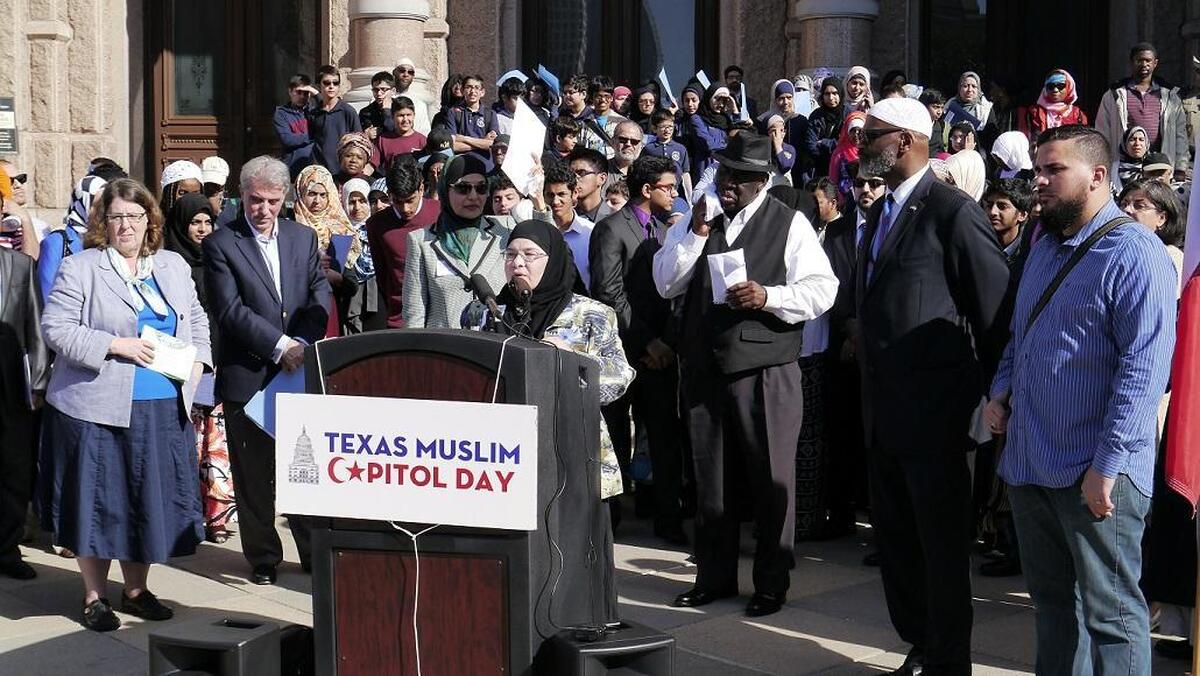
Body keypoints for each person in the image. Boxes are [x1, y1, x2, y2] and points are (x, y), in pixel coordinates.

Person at [983, 125, 1176, 676]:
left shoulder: (1136, 254)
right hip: (1030, 465)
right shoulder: (1044, 245)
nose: (1038, 182)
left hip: (1097, 477)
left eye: (1053, 171)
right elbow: (1023, 334)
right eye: (1037, 170)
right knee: (1053, 612)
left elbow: (1143, 374)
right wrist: (1001, 391)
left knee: (1112, 620)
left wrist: (1106, 468)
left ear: (1097, 176)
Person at [653, 132, 838, 618]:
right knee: (711, 479)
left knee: (770, 478)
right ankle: (713, 576)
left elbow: (822, 290)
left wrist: (770, 296)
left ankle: (771, 582)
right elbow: (665, 280)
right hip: (706, 369)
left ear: (762, 182)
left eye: (740, 176)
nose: (727, 182)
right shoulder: (699, 219)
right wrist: (693, 234)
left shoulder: (790, 223)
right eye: (724, 172)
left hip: (766, 368)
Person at [855, 98, 1010, 675]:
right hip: (886, 417)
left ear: (904, 141)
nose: (862, 142)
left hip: (940, 421)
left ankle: (948, 665)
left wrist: (1000, 399)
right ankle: (920, 648)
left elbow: (994, 312)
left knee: (941, 556)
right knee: (897, 548)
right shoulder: (878, 215)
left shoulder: (952, 211)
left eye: (872, 134)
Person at [39, 178, 211, 630]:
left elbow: (195, 317)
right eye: (115, 217)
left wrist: (200, 364)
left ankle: (136, 591)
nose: (125, 225)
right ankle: (95, 597)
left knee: (145, 502)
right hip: (96, 407)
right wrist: (116, 344)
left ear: (149, 220)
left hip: (161, 404)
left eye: (134, 216)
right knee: (97, 503)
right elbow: (55, 328)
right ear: (103, 222)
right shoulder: (82, 267)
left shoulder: (172, 266)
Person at [202, 156, 333, 585]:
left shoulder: (301, 237)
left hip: (297, 374)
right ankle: (262, 557)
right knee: (254, 475)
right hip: (249, 375)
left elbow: (319, 290)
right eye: (255, 201)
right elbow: (229, 310)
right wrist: (280, 348)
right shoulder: (222, 243)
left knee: (304, 467)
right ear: (243, 197)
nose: (263, 210)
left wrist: (303, 345)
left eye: (273, 201)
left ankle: (314, 552)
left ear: (285, 198)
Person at [496, 216, 635, 505]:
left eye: (529, 255)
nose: (517, 263)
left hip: (572, 444)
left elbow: (620, 376)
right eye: (510, 255)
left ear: (554, 260)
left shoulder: (591, 313)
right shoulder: (486, 313)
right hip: (504, 452)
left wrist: (574, 361)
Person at [590, 155, 686, 543]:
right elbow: (610, 293)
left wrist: (666, 342)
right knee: (614, 439)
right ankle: (609, 523)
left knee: (665, 439)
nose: (675, 194)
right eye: (669, 187)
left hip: (662, 355)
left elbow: (678, 293)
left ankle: (669, 520)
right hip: (622, 354)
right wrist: (646, 341)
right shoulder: (612, 229)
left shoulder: (670, 232)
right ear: (648, 190)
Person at [162, 193, 234, 544]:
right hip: (183, 366)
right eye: (195, 222)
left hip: (219, 363)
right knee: (188, 443)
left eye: (208, 221)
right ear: (181, 224)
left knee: (217, 446)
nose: (203, 228)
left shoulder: (220, 259)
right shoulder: (169, 264)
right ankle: (186, 514)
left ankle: (217, 517)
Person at [821, 168, 886, 539]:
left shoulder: (894, 227)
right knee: (842, 430)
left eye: (874, 184)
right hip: (842, 345)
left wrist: (865, 330)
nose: (866, 190)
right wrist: (848, 326)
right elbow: (830, 282)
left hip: (878, 348)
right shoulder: (838, 230)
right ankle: (841, 513)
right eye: (860, 183)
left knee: (878, 436)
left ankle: (880, 519)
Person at [403, 154, 511, 328]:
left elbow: (546, 250)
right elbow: (414, 315)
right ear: (446, 190)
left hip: (497, 347)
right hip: (445, 350)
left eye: (481, 188)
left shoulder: (504, 229)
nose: (473, 196)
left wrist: (540, 203)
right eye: (463, 188)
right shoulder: (421, 241)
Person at [0, 242, 48, 580]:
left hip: (9, 378)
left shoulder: (20, 265)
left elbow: (36, 324)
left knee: (13, 465)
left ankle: (6, 549)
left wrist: (40, 382)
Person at [1096, 42, 1190, 181]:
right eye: (1139, 60)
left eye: (1148, 60)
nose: (1144, 64)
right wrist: (1104, 164)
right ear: (1131, 62)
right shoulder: (1114, 95)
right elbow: (1102, 133)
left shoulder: (1170, 96)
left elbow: (1180, 135)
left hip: (1160, 166)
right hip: (1125, 168)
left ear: (1155, 63)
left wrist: (1181, 168)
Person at [366, 157, 440, 328]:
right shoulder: (376, 225)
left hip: (438, 315)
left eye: (410, 200)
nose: (405, 208)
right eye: (398, 201)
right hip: (399, 318)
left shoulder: (440, 213)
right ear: (390, 195)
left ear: (421, 189)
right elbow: (382, 274)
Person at [39, 175, 106, 303]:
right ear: (82, 203)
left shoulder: (108, 239)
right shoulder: (57, 241)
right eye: (97, 205)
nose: (102, 211)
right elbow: (46, 292)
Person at [340, 178, 384, 333]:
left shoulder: (378, 230)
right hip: (349, 298)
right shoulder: (339, 232)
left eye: (362, 201)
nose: (357, 207)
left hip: (378, 297)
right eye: (352, 202)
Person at [542, 163, 593, 289]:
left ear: (574, 193)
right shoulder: (538, 233)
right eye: (550, 195)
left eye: (561, 194)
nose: (555, 201)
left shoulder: (591, 232)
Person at [309, 65, 362, 175]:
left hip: (342, 172)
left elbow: (359, 142)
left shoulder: (348, 111)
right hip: (319, 170)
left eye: (335, 83)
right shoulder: (314, 113)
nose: (331, 86)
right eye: (327, 83)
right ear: (319, 86)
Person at [447, 74, 500, 170]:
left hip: (486, 165)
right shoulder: (454, 112)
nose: (472, 91)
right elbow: (453, 146)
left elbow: (492, 145)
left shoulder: (490, 114)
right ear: (462, 91)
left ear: (482, 92)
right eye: (469, 87)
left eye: (476, 88)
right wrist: (482, 142)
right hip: (461, 164)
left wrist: (463, 138)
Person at [274, 74, 318, 179]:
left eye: (306, 93)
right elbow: (287, 139)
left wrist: (316, 94)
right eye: (298, 92)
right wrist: (312, 136)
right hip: (293, 168)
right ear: (290, 91)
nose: (302, 96)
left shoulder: (315, 111)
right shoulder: (281, 113)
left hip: (316, 167)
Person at [1026, 69, 1088, 139]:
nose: (1055, 90)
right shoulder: (1035, 112)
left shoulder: (1077, 114)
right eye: (1050, 86)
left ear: (1069, 87)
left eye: (1060, 86)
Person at [983, 178, 1033, 262]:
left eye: (1002, 206)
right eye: (989, 205)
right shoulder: (977, 244)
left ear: (1022, 215)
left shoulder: (1029, 253)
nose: (992, 212)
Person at [804, 78, 845, 179]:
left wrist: (823, 143)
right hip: (819, 168)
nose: (831, 98)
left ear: (840, 94)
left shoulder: (847, 114)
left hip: (842, 167)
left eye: (835, 93)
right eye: (827, 94)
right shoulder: (816, 115)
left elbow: (845, 143)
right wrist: (829, 153)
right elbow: (810, 144)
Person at [0, 160, 51, 242]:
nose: (18, 185)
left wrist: (25, 219)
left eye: (20, 179)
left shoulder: (38, 226)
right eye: (9, 181)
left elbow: (31, 255)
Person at [375, 96, 427, 173]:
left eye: (409, 115)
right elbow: (373, 165)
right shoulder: (383, 140)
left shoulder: (422, 140)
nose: (405, 120)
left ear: (414, 115)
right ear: (392, 117)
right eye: (401, 115)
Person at [945, 71, 997, 145]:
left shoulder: (986, 109)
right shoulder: (949, 107)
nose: (969, 90)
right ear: (959, 88)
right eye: (965, 86)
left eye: (974, 86)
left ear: (978, 89)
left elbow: (991, 137)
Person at [643, 109, 691, 190]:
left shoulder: (680, 149)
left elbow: (685, 173)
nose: (667, 130)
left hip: (677, 190)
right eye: (663, 127)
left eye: (670, 126)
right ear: (654, 128)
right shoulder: (649, 149)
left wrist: (689, 196)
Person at [829, 112, 867, 202]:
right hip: (844, 198)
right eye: (853, 130)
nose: (856, 134)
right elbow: (833, 179)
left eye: (860, 130)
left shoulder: (870, 150)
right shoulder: (839, 152)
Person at [568, 148, 611, 223]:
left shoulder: (614, 219)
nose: (574, 179)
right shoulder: (563, 215)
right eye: (570, 174)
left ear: (601, 179)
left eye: (581, 173)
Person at [391, 58, 433, 135]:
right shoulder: (381, 99)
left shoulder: (419, 104)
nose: (406, 74)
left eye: (410, 72)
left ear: (413, 76)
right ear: (394, 73)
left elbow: (425, 132)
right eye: (402, 70)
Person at [358, 71, 397, 140]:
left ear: (393, 91)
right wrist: (367, 134)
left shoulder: (400, 107)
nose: (379, 93)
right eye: (375, 90)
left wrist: (386, 110)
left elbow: (395, 131)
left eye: (383, 89)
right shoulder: (366, 112)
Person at [200, 156, 237, 227]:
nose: (211, 188)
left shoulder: (235, 207)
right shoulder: (194, 202)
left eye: (216, 185)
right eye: (208, 184)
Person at [1114, 125, 1149, 191]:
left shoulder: (1151, 167)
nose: (1137, 143)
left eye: (1141, 140)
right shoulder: (1113, 168)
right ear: (1125, 144)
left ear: (1146, 144)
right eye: (1132, 139)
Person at [920, 89, 948, 158]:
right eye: (935, 107)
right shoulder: (915, 126)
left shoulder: (938, 125)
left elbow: (940, 148)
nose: (939, 112)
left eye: (941, 108)